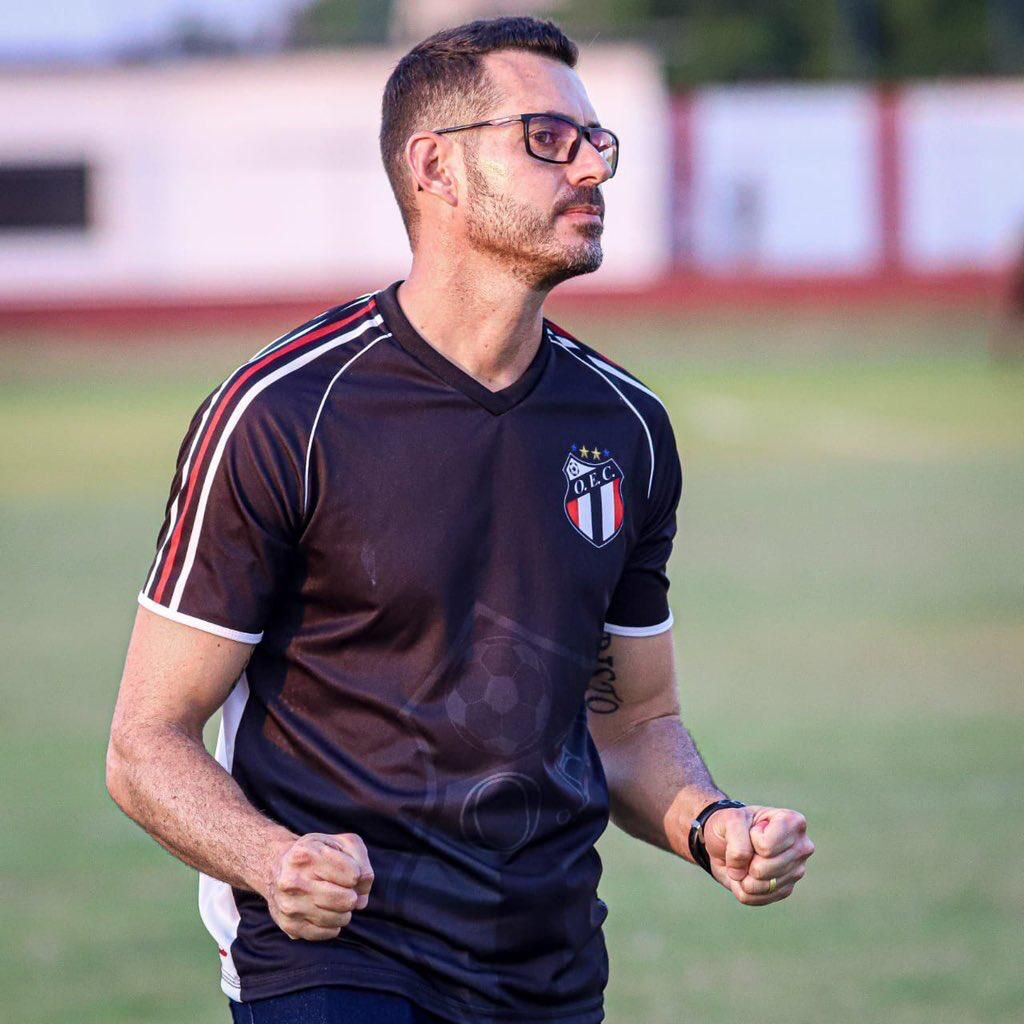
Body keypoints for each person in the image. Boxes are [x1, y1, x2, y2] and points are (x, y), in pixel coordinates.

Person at [106, 16, 814, 1024]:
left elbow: (633, 721)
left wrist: (714, 825)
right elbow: (144, 740)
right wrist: (273, 859)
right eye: (547, 137)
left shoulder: (628, 428)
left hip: (547, 960)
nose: (591, 169)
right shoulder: (282, 413)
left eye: (596, 140)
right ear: (434, 165)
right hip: (336, 954)